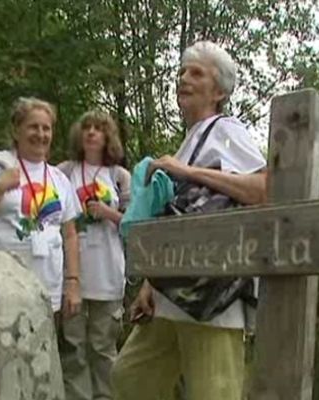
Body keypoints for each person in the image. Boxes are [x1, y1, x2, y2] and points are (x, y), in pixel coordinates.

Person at [111, 41, 267, 400]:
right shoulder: (191, 140)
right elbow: (178, 222)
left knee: (214, 393)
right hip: (173, 295)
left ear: (219, 91)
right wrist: (150, 285)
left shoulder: (226, 130)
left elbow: (264, 188)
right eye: (182, 71)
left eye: (196, 73)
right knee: (131, 379)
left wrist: (186, 171)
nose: (183, 78)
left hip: (213, 300)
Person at [0, 96, 82, 317]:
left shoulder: (59, 180)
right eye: (33, 127)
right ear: (16, 131)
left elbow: (70, 234)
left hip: (46, 292)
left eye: (47, 128)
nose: (41, 134)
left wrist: (72, 282)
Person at [57, 110, 130, 400]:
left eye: (98, 128)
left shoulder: (119, 176)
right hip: (71, 273)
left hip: (108, 272)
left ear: (107, 136)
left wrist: (109, 212)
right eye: (86, 127)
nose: (91, 133)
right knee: (73, 347)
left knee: (103, 348)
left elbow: (136, 223)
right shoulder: (64, 172)